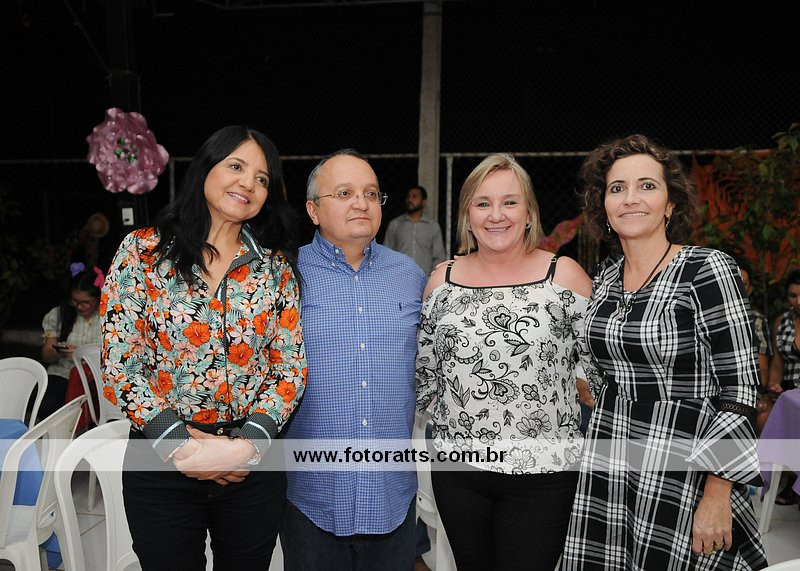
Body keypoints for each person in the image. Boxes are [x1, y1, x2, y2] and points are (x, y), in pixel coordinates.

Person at [100, 125, 306, 570]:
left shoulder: (275, 268)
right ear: (205, 169)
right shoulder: (143, 253)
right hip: (159, 462)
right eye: (236, 166)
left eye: (262, 178)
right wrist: (181, 447)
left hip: (251, 467)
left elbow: (289, 368)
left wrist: (244, 447)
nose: (248, 183)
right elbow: (121, 362)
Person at [563, 134, 768, 570]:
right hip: (611, 456)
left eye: (647, 185)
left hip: (686, 463)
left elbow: (740, 389)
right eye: (617, 188)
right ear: (604, 206)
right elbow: (596, 371)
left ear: (671, 203)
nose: (630, 198)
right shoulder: (606, 276)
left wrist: (718, 490)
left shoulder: (706, 269)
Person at [415, 153, 599, 570]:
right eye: (483, 203)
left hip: (544, 477)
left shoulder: (565, 276)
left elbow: (598, 370)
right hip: (459, 473)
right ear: (467, 215)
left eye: (510, 202)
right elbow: (426, 377)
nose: (496, 215)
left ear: (530, 213)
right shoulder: (441, 282)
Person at [279, 149, 427, 571]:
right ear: (313, 210)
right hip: (311, 496)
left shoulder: (410, 276)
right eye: (344, 193)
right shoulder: (286, 275)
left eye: (371, 193)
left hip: (392, 495)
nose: (361, 203)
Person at [39, 264, 103, 421]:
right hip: (63, 372)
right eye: (75, 301)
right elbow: (46, 356)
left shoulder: (107, 316)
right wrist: (58, 351)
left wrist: (82, 354)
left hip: (95, 376)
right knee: (49, 405)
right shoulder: (59, 314)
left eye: (85, 302)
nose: (79, 306)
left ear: (98, 298)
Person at [765, 268, 800, 505]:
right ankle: (788, 481)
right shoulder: (783, 321)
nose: (798, 301)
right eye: (793, 295)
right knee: (768, 415)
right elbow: (777, 363)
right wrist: (773, 386)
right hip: (787, 393)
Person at [383, 185, 446, 275]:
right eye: (408, 196)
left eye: (414, 197)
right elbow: (386, 253)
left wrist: (431, 278)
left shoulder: (432, 227)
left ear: (424, 202)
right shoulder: (396, 224)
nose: (410, 199)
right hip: (399, 278)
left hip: (425, 279)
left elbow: (439, 257)